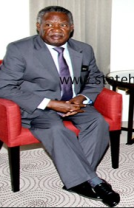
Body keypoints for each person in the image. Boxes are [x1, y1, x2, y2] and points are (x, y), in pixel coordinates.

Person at [0, 6, 120, 207]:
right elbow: (4, 86)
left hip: (75, 103)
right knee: (56, 129)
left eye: (63, 24)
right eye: (49, 24)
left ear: (71, 28)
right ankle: (93, 181)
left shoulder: (84, 49)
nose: (56, 29)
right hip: (40, 107)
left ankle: (76, 178)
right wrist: (51, 104)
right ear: (38, 26)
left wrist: (81, 98)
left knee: (98, 122)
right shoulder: (19, 49)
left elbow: (95, 78)